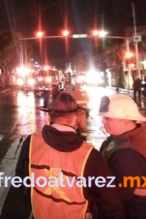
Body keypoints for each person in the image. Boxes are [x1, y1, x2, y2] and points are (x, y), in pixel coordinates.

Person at [16, 91, 124, 219]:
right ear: (74, 118)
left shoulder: (32, 142)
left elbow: (20, 184)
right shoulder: (90, 155)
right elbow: (110, 204)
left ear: (49, 117)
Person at [99, 94, 146, 219]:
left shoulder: (128, 154)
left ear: (126, 120)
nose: (103, 121)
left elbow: (118, 193)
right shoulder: (122, 137)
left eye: (107, 118)